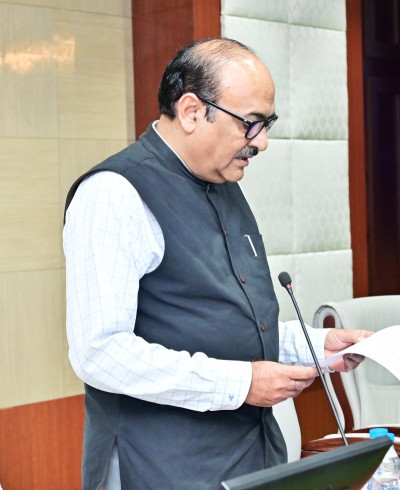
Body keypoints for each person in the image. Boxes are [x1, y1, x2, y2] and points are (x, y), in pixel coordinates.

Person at [62, 39, 375, 488]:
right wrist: (240, 383)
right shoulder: (114, 194)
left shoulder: (222, 181)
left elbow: (222, 326)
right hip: (158, 467)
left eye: (268, 124)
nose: (262, 142)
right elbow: (100, 352)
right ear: (192, 111)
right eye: (251, 123)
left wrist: (318, 346)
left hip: (252, 457)